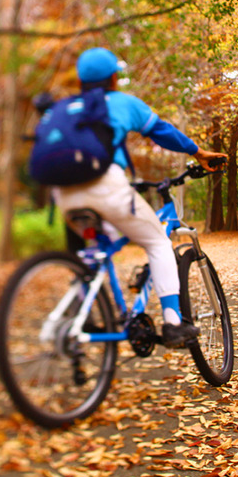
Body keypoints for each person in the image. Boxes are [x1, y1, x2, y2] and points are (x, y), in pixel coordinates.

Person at [52, 47, 226, 348]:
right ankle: (173, 324)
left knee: (96, 248)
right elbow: (162, 132)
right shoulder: (121, 102)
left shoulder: (64, 108)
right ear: (114, 78)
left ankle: (83, 305)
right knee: (158, 240)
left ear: (80, 81)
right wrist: (198, 153)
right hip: (104, 183)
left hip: (62, 191)